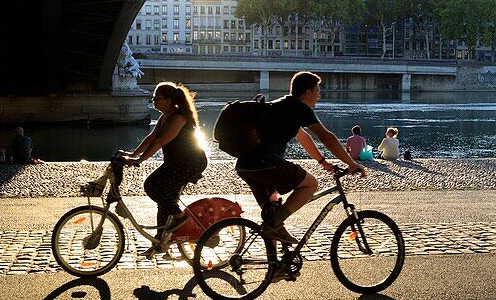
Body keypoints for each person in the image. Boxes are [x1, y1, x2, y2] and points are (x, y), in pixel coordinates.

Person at [236, 70, 366, 247]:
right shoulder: (299, 108)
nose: (319, 96)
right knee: (310, 184)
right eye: (318, 91)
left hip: (246, 165)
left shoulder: (284, 106)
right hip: (264, 163)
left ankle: (276, 267)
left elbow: (304, 137)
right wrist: (351, 164)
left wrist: (323, 162)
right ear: (308, 93)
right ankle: (273, 226)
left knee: (273, 214)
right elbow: (326, 137)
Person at [123, 82, 207, 255]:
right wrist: (133, 155)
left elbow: (160, 141)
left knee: (152, 186)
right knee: (164, 199)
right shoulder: (165, 117)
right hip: (176, 162)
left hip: (190, 163)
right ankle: (161, 241)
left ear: (168, 100)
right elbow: (151, 137)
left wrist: (140, 160)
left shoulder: (178, 118)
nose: (154, 101)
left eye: (157, 98)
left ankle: (181, 218)